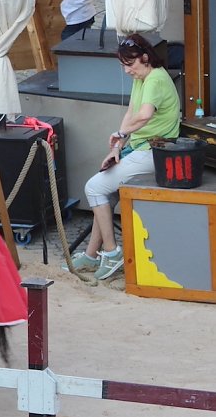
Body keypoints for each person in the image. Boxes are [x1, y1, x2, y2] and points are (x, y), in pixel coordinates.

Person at [67, 34, 181, 281]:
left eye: (130, 65)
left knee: (94, 187)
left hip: (156, 151)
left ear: (145, 58)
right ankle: (90, 255)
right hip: (140, 146)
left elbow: (144, 115)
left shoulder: (156, 79)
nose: (127, 71)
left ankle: (113, 252)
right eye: (123, 66)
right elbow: (130, 113)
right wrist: (117, 146)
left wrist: (121, 133)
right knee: (103, 193)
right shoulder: (142, 77)